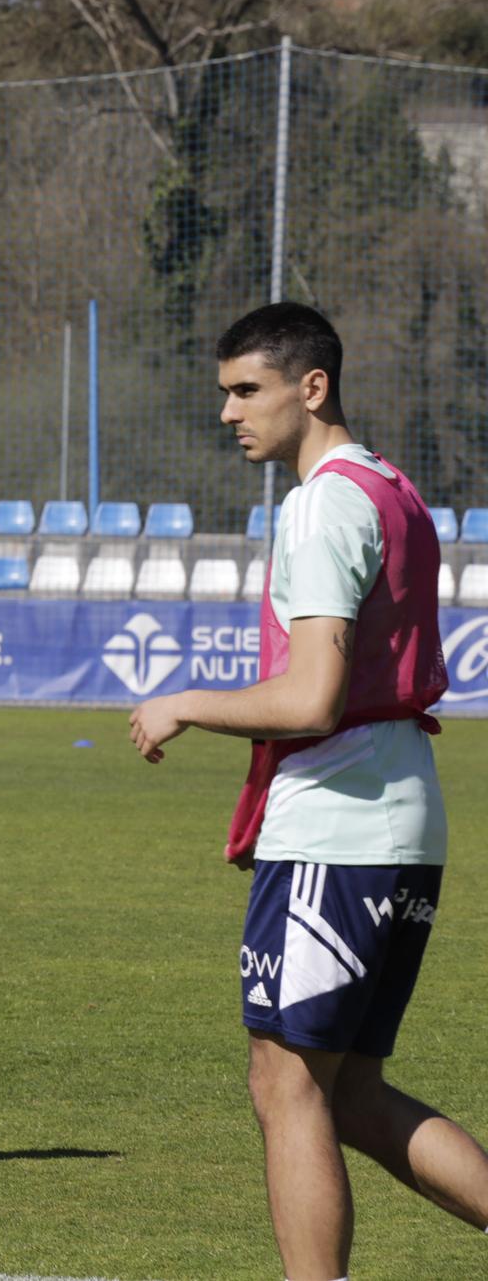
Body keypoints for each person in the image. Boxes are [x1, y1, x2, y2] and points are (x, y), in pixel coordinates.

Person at [129, 303, 488, 1280]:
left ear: (310, 387)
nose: (227, 413)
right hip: (399, 817)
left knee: (283, 1082)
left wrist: (183, 703)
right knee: (353, 1093)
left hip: (338, 828)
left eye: (245, 390)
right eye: (223, 393)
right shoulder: (391, 488)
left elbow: (311, 694)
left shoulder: (321, 503)